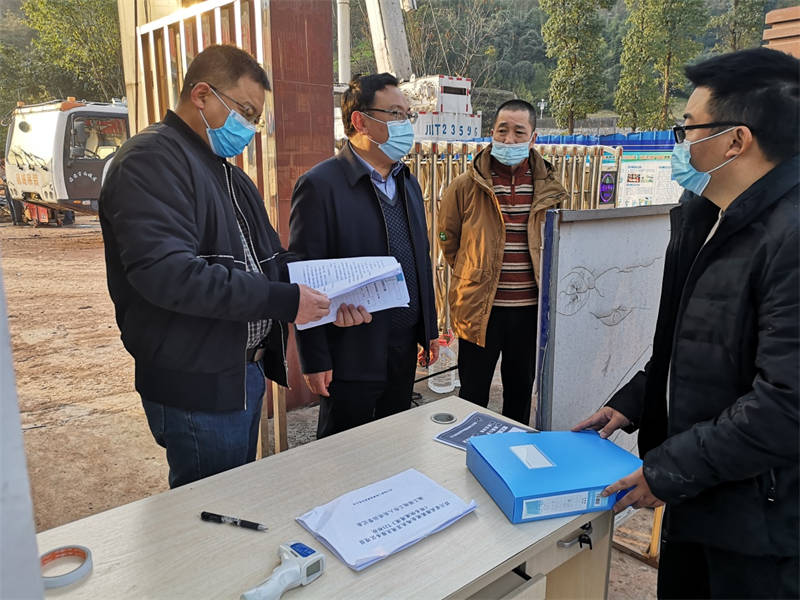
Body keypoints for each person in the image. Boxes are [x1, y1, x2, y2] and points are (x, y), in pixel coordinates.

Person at [573, 48, 799, 599]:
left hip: (759, 530)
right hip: (700, 499)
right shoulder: (706, 216)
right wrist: (636, 400)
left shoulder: (790, 237)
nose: (680, 144)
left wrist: (668, 470)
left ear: (735, 140)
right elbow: (699, 345)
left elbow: (786, 405)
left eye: (689, 128)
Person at [100, 45, 364, 488]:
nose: (250, 128)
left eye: (255, 118)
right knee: (209, 509)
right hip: (196, 379)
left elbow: (270, 262)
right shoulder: (150, 161)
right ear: (201, 95)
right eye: (245, 111)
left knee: (234, 495)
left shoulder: (228, 174)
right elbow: (170, 276)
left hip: (241, 372)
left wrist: (333, 294)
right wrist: (287, 301)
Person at [289, 73, 439, 438]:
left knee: (395, 443)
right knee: (345, 451)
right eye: (395, 114)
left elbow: (420, 257)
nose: (405, 124)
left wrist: (429, 329)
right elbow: (305, 275)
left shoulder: (407, 181)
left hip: (403, 347)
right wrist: (315, 358)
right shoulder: (320, 185)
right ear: (360, 121)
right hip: (352, 349)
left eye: (407, 115)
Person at [438, 99, 568, 425]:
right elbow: (448, 240)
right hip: (479, 310)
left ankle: (512, 451)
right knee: (473, 394)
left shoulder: (551, 189)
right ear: (492, 133)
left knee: (520, 393)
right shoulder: (465, 186)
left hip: (529, 313)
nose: (509, 140)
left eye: (518, 132)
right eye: (502, 131)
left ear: (533, 137)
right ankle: (468, 449)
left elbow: (559, 244)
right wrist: (473, 274)